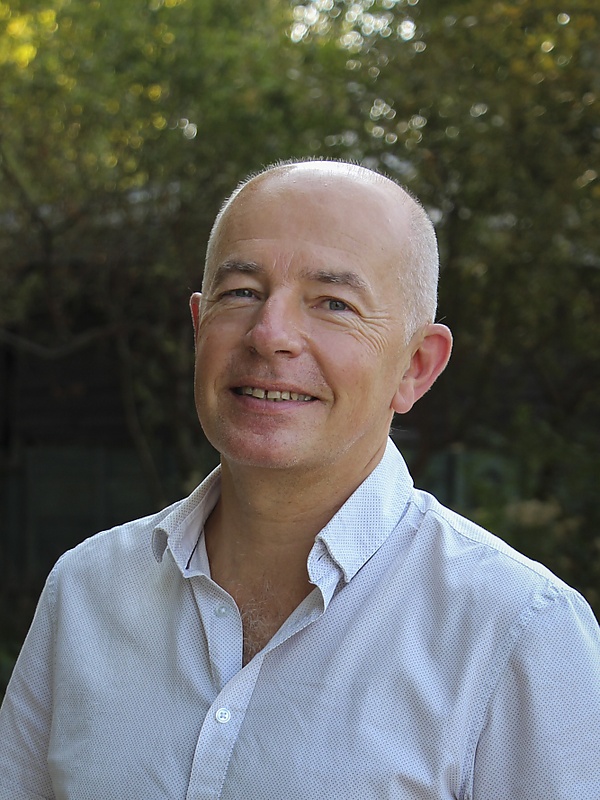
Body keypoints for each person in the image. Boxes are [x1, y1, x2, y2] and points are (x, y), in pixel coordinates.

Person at [1, 159, 599, 800]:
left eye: (334, 304)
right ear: (199, 327)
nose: (270, 335)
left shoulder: (517, 634)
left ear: (415, 367)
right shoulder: (86, 590)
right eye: (241, 292)